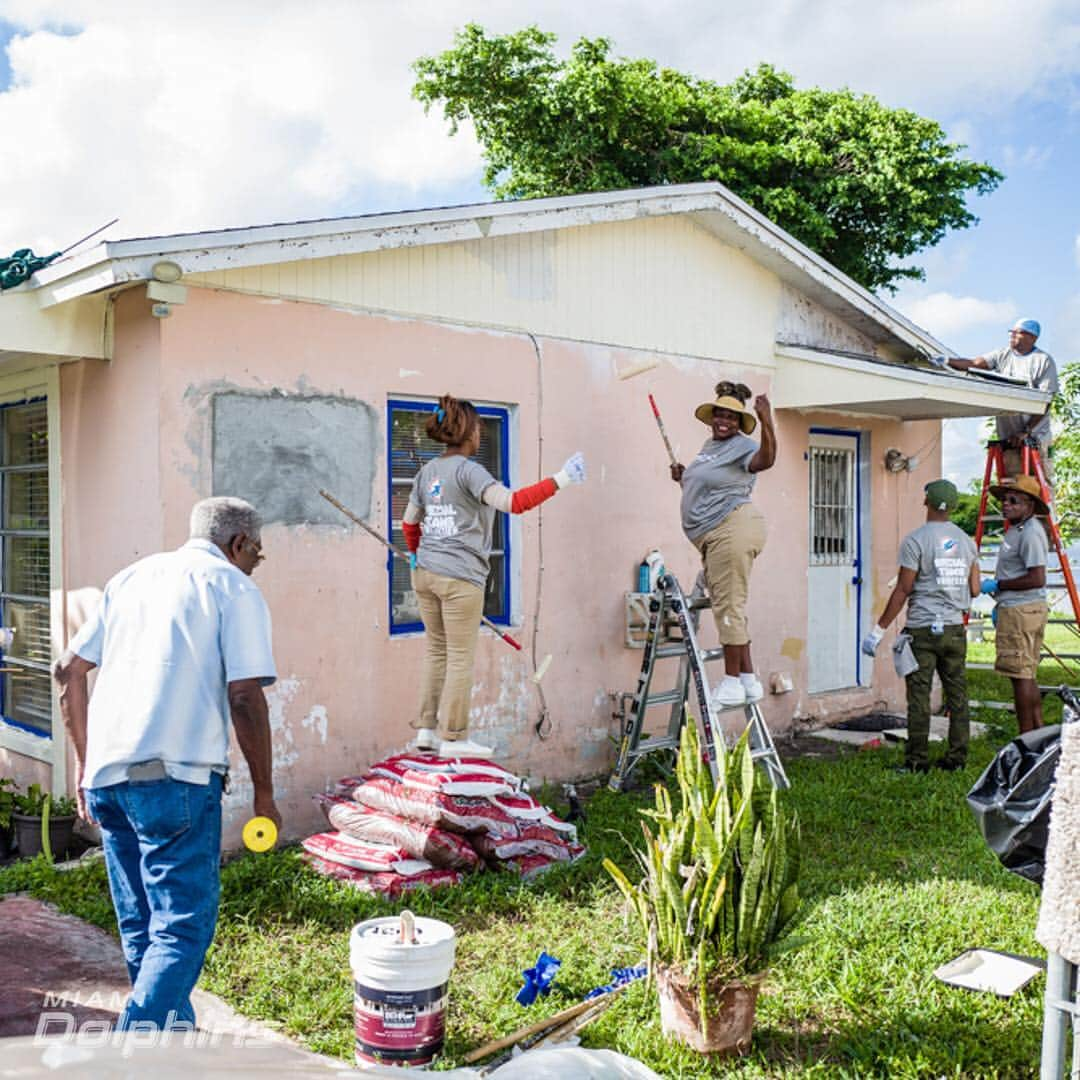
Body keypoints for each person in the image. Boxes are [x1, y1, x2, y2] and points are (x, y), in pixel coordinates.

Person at [52, 497, 279, 1032]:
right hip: (175, 780)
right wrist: (265, 794)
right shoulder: (232, 587)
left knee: (143, 924)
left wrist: (86, 765)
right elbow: (245, 695)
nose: (254, 565)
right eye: (257, 555)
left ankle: (170, 1038)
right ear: (239, 544)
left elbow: (68, 671)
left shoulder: (131, 578)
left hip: (109, 781)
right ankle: (135, 1046)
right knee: (183, 926)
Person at [402, 394, 585, 758]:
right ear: (467, 431)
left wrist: (413, 554)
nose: (480, 435)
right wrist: (563, 478)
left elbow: (409, 523)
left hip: (424, 574)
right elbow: (514, 503)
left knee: (436, 652)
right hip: (459, 578)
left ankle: (426, 730)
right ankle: (454, 738)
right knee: (458, 657)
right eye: (479, 429)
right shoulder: (470, 471)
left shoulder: (427, 473)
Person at [862, 480, 980, 773]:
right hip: (954, 629)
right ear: (952, 506)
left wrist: (878, 630)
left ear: (926, 501)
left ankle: (917, 761)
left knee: (919, 696)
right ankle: (957, 759)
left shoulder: (915, 541)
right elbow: (975, 588)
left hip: (922, 630)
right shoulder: (967, 542)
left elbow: (903, 589)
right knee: (958, 695)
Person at [670, 381, 776, 708]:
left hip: (732, 527)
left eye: (731, 417)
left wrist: (767, 421)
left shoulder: (743, 446)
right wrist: (685, 477)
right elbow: (711, 484)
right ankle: (748, 678)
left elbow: (766, 459)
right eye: (720, 414)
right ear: (712, 415)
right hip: (717, 535)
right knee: (731, 603)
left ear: (740, 422)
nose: (724, 421)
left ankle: (730, 682)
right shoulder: (710, 447)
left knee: (728, 606)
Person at [931, 318, 1058, 486]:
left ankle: (1043, 512)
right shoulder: (1002, 355)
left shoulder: (1043, 360)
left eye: (1017, 333)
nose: (1012, 336)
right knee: (1013, 486)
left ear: (1032, 338)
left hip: (1036, 438)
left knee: (1040, 484)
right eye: (1011, 332)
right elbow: (975, 363)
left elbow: (1046, 400)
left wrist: (1026, 431)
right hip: (1009, 438)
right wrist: (947, 361)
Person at [981, 475, 1050, 734]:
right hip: (1020, 608)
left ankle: (1025, 738)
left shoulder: (1030, 533)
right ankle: (1037, 733)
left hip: (1021, 610)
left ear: (1030, 505)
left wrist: (999, 585)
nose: (1006, 505)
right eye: (1004, 500)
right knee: (1027, 673)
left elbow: (1037, 578)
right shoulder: (1018, 529)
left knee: (1019, 676)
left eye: (1014, 501)